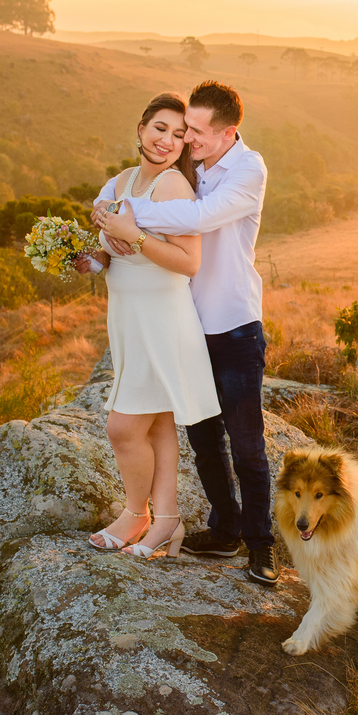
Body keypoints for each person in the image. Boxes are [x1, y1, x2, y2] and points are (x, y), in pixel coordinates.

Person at [93, 81, 278, 586]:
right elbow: (141, 177)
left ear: (227, 132)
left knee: (246, 442)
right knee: (201, 436)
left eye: (194, 130)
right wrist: (105, 208)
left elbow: (198, 218)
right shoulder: (191, 160)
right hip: (188, 321)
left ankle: (261, 546)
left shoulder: (247, 169)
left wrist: (122, 218)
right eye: (180, 129)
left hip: (233, 323)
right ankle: (223, 529)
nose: (186, 139)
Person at [78, 92, 220, 559]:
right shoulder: (119, 183)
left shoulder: (173, 188)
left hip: (163, 321)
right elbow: (109, 254)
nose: (168, 141)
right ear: (141, 129)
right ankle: (166, 521)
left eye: (180, 135)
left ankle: (135, 514)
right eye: (161, 128)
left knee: (122, 428)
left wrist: (133, 237)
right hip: (129, 321)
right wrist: (89, 259)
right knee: (157, 425)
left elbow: (190, 261)